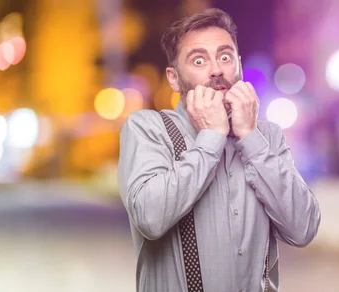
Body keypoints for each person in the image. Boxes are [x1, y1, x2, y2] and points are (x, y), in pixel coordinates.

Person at [117, 8, 321, 292]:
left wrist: (250, 137)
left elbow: (303, 229)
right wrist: (211, 138)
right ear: (174, 78)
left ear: (237, 65)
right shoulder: (149, 128)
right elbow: (149, 219)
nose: (216, 69)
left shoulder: (267, 136)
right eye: (198, 60)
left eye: (225, 57)